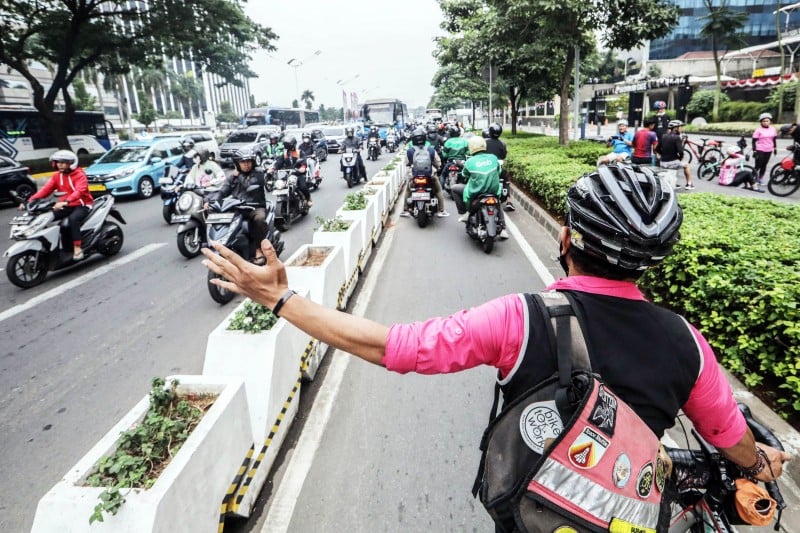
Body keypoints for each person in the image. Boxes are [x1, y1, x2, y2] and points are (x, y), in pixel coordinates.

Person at [201, 163, 791, 528]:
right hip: (626, 516)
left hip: (532, 513)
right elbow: (731, 440)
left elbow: (393, 347)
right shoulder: (686, 343)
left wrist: (282, 300)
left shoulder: (520, 318)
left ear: (566, 237)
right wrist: (762, 463)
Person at [23, 150, 93, 260]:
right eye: (58, 162)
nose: (59, 164)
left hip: (82, 204)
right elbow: (46, 190)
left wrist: (67, 201)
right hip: (65, 205)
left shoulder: (80, 175)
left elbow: (80, 191)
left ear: (71, 163)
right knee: (45, 217)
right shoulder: (57, 176)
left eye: (63, 162)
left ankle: (77, 247)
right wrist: (30, 201)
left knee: (73, 220)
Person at [212, 148, 269, 259]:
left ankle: (259, 248)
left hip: (254, 207)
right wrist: (212, 202)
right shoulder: (233, 176)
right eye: (243, 162)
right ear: (237, 163)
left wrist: (237, 175)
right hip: (237, 207)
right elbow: (223, 190)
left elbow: (248, 185)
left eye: (248, 161)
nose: (246, 164)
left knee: (259, 219)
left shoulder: (258, 173)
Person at [453, 136, 508, 239]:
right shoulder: (493, 158)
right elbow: (499, 171)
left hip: (476, 193)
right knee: (498, 203)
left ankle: (465, 213)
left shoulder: (470, 162)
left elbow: (464, 175)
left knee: (455, 189)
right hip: (493, 191)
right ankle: (503, 229)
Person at [399, 127, 448, 218]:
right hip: (429, 175)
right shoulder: (430, 149)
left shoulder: (410, 151)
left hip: (414, 176)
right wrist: (437, 168)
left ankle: (405, 209)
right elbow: (438, 162)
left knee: (408, 190)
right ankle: (441, 210)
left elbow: (407, 163)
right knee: (438, 190)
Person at [269, 134, 312, 206]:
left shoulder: (299, 152)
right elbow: (279, 162)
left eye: (287, 145)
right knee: (280, 185)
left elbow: (304, 161)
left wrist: (303, 167)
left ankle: (308, 199)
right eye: (285, 145)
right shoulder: (285, 154)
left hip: (298, 174)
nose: (286, 147)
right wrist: (273, 168)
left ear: (292, 144)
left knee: (303, 187)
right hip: (288, 174)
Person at [484, 122, 515, 212]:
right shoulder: (502, 144)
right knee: (506, 180)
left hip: (486, 167)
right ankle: (509, 201)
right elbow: (503, 156)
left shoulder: (484, 143)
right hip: (498, 168)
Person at [658, 120, 695, 190]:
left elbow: (657, 149)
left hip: (662, 162)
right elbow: (681, 152)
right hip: (672, 163)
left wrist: (663, 154)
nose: (682, 129)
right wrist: (679, 159)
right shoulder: (677, 137)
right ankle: (689, 184)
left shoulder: (663, 136)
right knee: (686, 165)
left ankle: (675, 183)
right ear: (675, 128)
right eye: (680, 127)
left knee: (676, 163)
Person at [438, 124, 469, 189]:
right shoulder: (464, 141)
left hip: (450, 162)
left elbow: (444, 155)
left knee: (443, 175)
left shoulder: (448, 142)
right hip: (462, 162)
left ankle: (441, 189)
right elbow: (468, 152)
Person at [752, 112, 778, 186]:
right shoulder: (758, 130)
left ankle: (760, 178)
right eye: (764, 121)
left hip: (769, 149)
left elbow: (774, 139)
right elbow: (754, 141)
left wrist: (775, 148)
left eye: (767, 121)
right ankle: (753, 178)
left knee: (764, 165)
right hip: (760, 149)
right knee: (758, 165)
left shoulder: (773, 129)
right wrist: (754, 150)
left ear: (770, 121)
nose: (765, 122)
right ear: (761, 122)